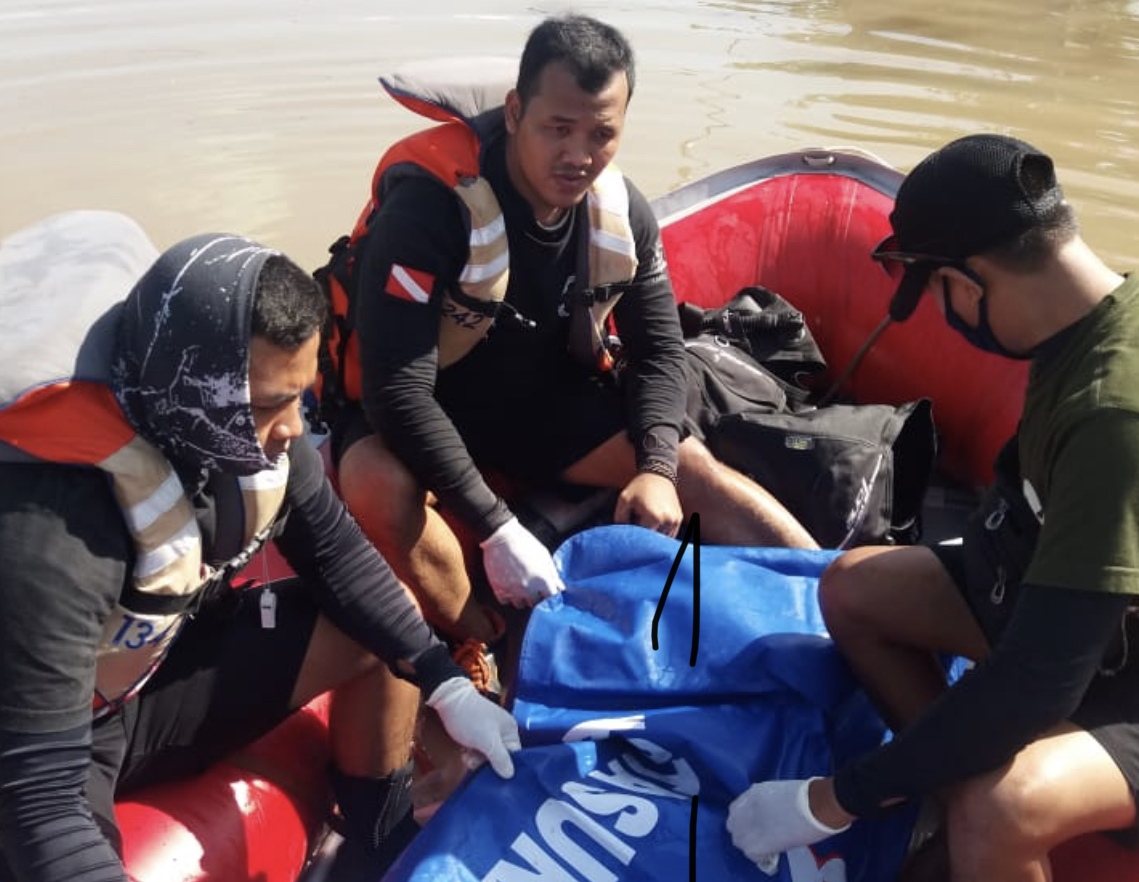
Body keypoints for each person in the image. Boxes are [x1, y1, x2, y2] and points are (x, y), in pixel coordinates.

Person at [0, 210, 521, 882]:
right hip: (19, 752)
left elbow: (342, 561)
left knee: (376, 624)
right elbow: (41, 800)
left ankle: (381, 837)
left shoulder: (241, 425)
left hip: (143, 677)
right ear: (180, 390)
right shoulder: (46, 532)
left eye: (301, 396)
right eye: (265, 406)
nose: (293, 430)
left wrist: (445, 685)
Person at [726, 133, 1139, 879]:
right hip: (1107, 616)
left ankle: (974, 815)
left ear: (969, 279)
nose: (947, 317)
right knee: (853, 588)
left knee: (1000, 806)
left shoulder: (1125, 421)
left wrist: (834, 800)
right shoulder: (1094, 327)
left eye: (939, 294)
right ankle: (949, 789)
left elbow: (1042, 678)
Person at [319, 14, 819, 672]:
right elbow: (394, 390)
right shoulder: (429, 210)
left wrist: (657, 470)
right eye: (559, 128)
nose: (579, 154)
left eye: (602, 133)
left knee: (695, 471)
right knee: (374, 485)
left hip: (536, 402)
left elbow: (660, 353)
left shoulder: (622, 212)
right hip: (420, 406)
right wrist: (496, 528)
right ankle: (481, 637)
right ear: (517, 110)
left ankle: (830, 597)